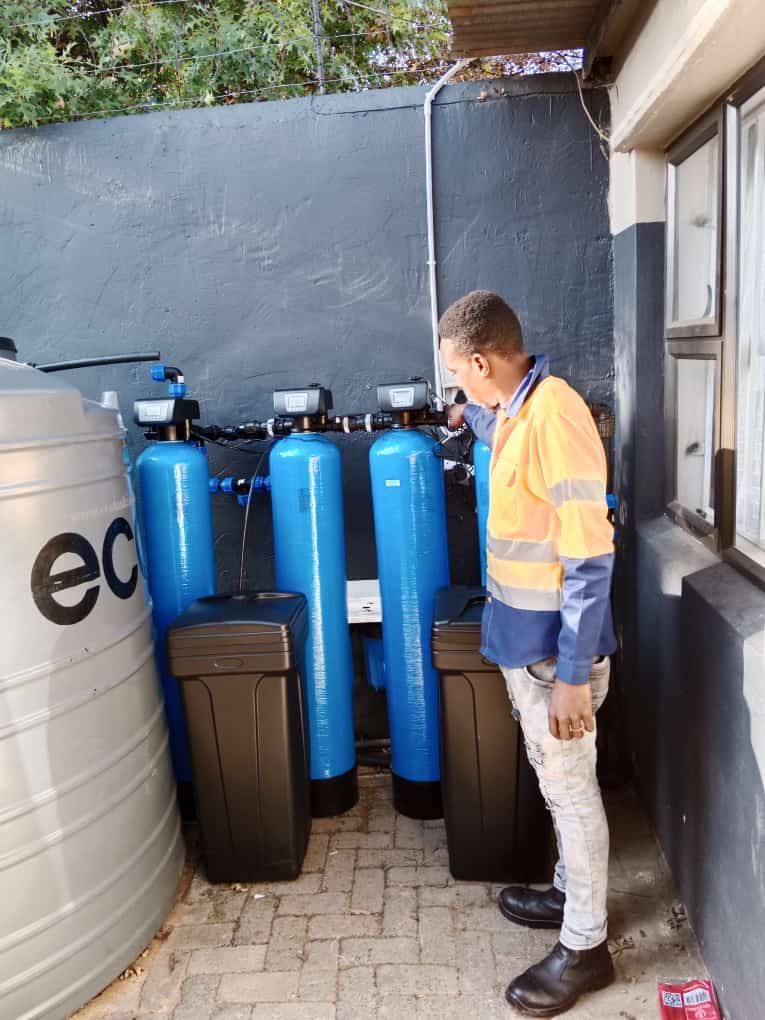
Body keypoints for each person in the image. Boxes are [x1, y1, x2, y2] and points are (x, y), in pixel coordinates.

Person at [440, 290, 617, 1017]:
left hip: (556, 659)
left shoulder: (555, 413)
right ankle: (569, 894)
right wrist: (469, 416)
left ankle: (586, 947)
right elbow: (499, 429)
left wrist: (573, 678)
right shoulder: (518, 408)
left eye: (459, 377)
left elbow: (589, 559)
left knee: (570, 793)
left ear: (481, 359)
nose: (459, 388)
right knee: (556, 786)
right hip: (530, 647)